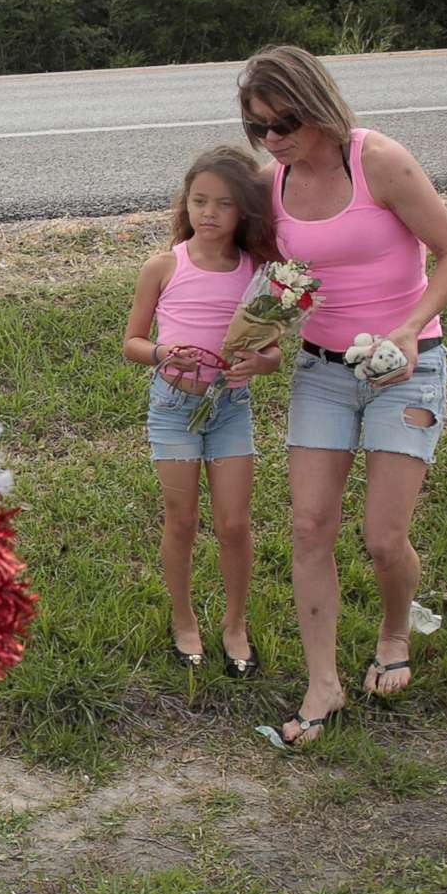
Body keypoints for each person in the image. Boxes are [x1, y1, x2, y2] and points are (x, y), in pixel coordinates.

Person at [238, 45, 447, 749]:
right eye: (260, 129)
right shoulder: (270, 184)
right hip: (322, 370)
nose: (274, 140)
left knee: (382, 535)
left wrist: (407, 329)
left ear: (317, 105)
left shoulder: (380, 162)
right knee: (310, 526)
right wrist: (263, 347)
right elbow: (275, 287)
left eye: (284, 122)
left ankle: (395, 631)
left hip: (410, 365)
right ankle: (324, 683)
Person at [122, 144, 283, 678]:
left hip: (231, 406)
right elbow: (133, 343)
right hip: (174, 406)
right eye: (199, 201)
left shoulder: (257, 273)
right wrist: (166, 354)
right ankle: (183, 616)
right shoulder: (165, 265)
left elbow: (274, 351)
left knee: (235, 523)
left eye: (223, 204)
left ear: (244, 212)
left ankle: (236, 623)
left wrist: (259, 364)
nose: (209, 213)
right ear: (185, 204)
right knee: (183, 519)